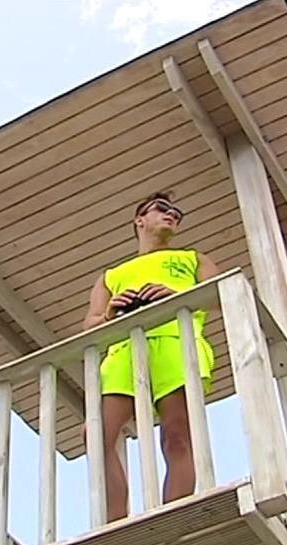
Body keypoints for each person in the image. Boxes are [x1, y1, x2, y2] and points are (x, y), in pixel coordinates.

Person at [82, 190, 219, 522]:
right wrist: (111, 315)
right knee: (95, 435)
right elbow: (90, 324)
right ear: (139, 220)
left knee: (176, 436)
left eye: (176, 211)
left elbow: (219, 294)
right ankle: (115, 522)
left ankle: (171, 521)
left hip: (176, 343)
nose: (171, 214)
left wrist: (177, 296)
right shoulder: (111, 275)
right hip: (123, 351)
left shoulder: (192, 258)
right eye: (162, 208)